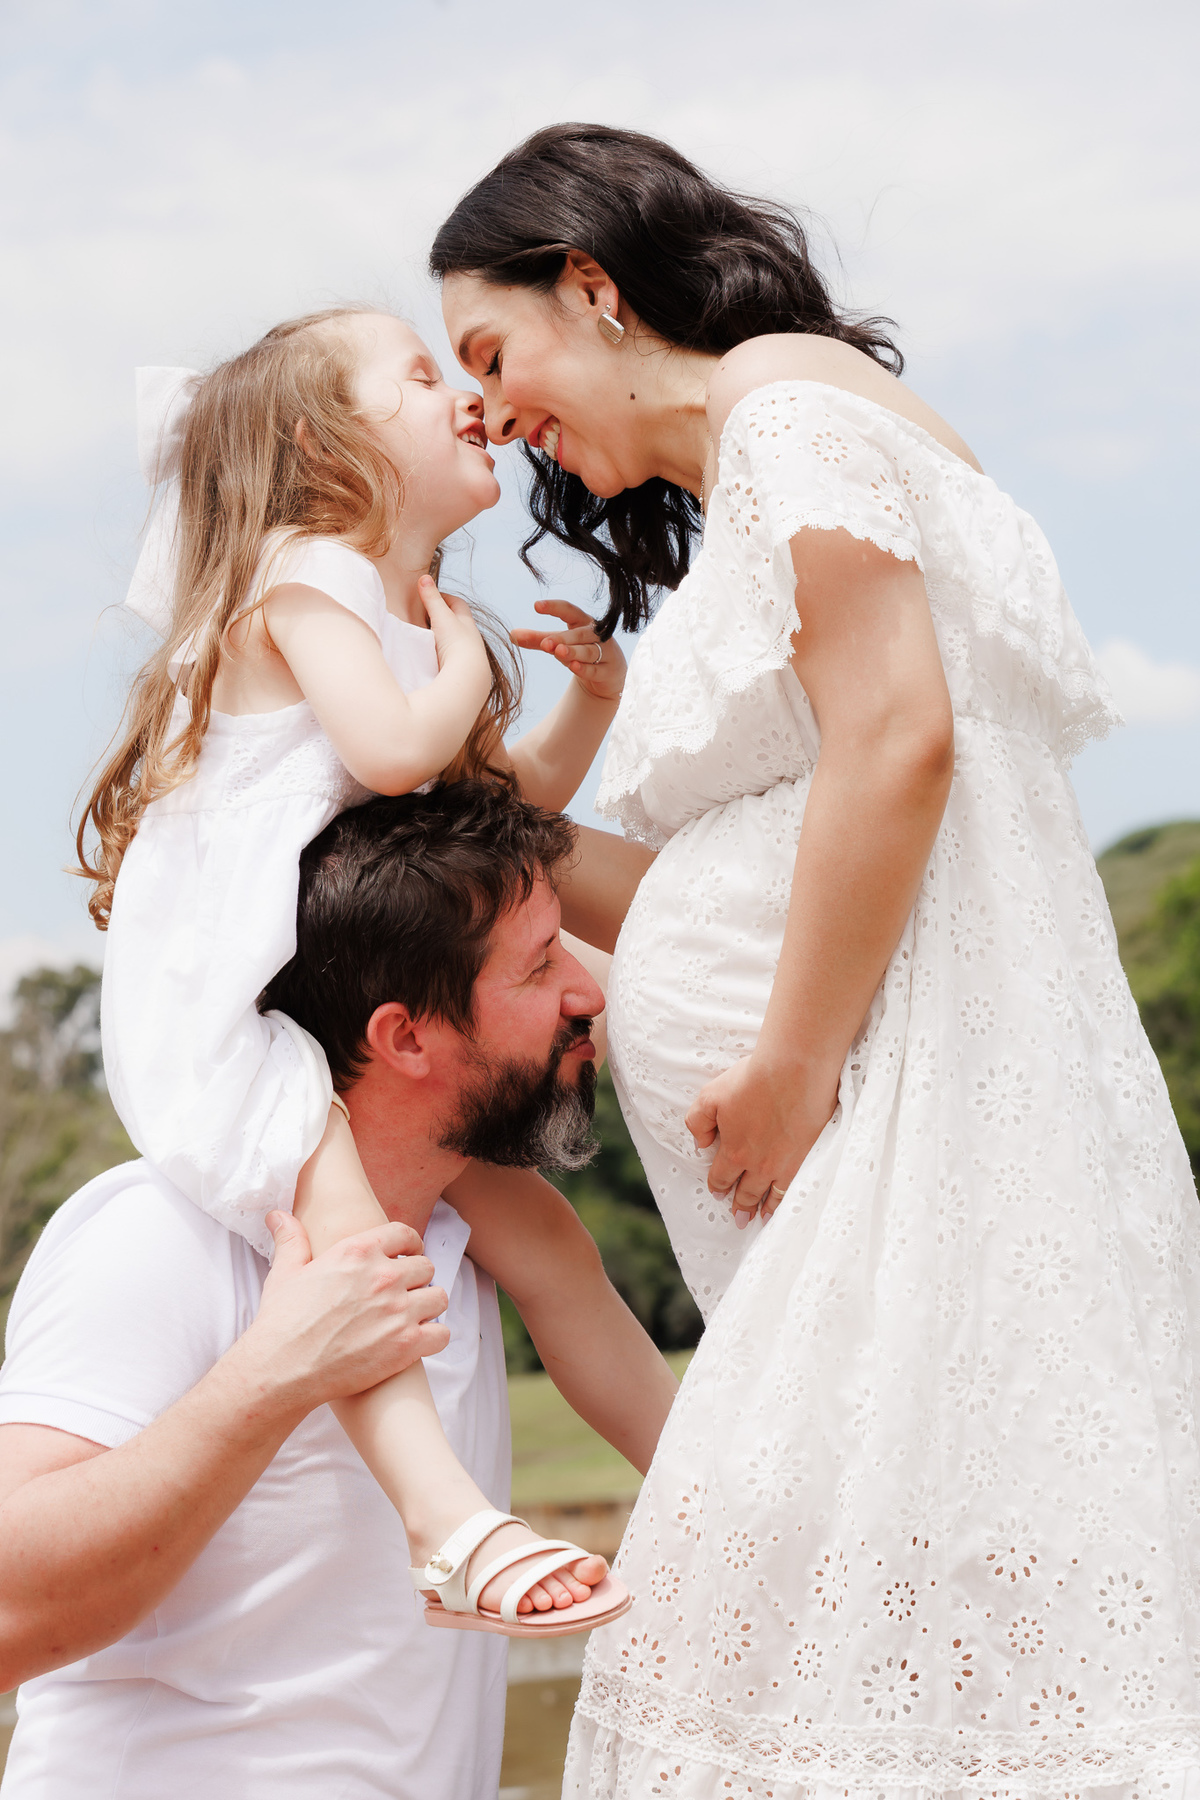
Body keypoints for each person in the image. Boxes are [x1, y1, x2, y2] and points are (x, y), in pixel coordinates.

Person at [433, 124, 1200, 1795]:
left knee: (796, 1663)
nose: (486, 412)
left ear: (593, 285)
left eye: (491, 354)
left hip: (886, 1128)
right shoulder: (786, 444)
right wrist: (452, 820)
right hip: (852, 1148)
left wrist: (781, 1066)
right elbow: (734, 864)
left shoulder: (788, 407)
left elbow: (904, 742)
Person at [75, 307, 639, 1633]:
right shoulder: (302, 571)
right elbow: (394, 756)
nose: (460, 391)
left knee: (549, 1246)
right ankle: (444, 1524)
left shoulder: (386, 605)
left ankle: (713, 1485)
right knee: (358, 1250)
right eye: (419, 369)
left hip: (317, 993)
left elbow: (506, 819)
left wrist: (592, 702)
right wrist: (454, 662)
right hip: (233, 1006)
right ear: (318, 442)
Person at [0, 782, 678, 1799]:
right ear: (406, 1037)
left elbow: (692, 1458)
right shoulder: (158, 1233)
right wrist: (274, 1377)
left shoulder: (483, 1233)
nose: (590, 993)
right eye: (540, 966)